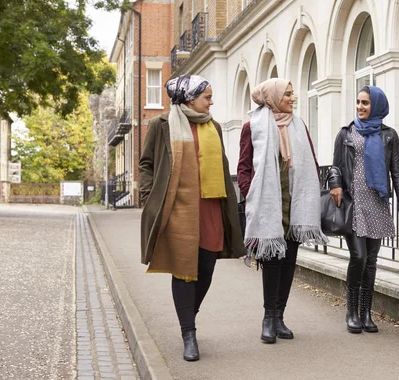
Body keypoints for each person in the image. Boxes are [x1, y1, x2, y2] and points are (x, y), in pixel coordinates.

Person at [139, 74, 245, 361]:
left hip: (210, 208)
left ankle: (189, 314)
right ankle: (189, 333)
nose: (211, 102)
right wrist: (149, 197)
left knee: (206, 270)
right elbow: (146, 164)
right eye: (207, 97)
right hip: (177, 210)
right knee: (184, 270)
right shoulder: (161, 125)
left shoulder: (215, 127)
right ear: (189, 98)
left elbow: (222, 166)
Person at [237, 78, 328, 344]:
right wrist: (251, 193)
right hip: (268, 206)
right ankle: (268, 318)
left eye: (292, 93)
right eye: (287, 94)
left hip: (294, 204)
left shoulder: (298, 125)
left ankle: (280, 317)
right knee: (272, 263)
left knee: (289, 262)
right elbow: (243, 167)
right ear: (274, 97)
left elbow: (311, 160)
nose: (292, 98)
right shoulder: (252, 126)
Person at [328, 85, 399, 334]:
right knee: (358, 257)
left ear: (376, 105)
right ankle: (351, 311)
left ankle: (366, 313)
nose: (360, 107)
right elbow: (336, 167)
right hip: (354, 203)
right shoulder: (346, 133)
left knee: (371, 261)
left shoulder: (389, 136)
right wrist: (335, 185)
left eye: (365, 103)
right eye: (358, 102)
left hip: (377, 203)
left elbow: (397, 173)